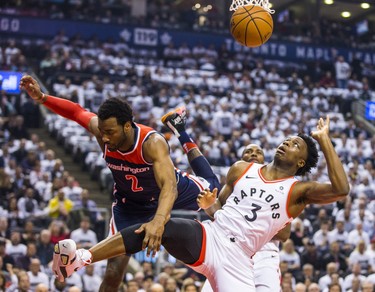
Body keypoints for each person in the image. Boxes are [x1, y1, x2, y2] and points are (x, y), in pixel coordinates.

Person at [52, 116, 349, 291]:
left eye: (295, 144)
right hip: (211, 236)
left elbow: (341, 189)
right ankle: (80, 259)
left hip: (239, 260)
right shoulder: (240, 169)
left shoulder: (298, 190)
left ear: (300, 162)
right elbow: (218, 207)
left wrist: (323, 140)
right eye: (286, 139)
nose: (286, 142)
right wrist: (209, 206)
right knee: (160, 226)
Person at [20, 75, 220, 291]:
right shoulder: (102, 131)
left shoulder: (152, 143)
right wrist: (42, 98)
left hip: (171, 190)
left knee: (214, 190)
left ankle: (180, 129)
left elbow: (169, 188)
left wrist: (158, 221)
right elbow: (76, 112)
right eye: (102, 132)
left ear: (127, 126)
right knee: (114, 271)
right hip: (129, 204)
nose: (104, 138)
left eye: (110, 132)